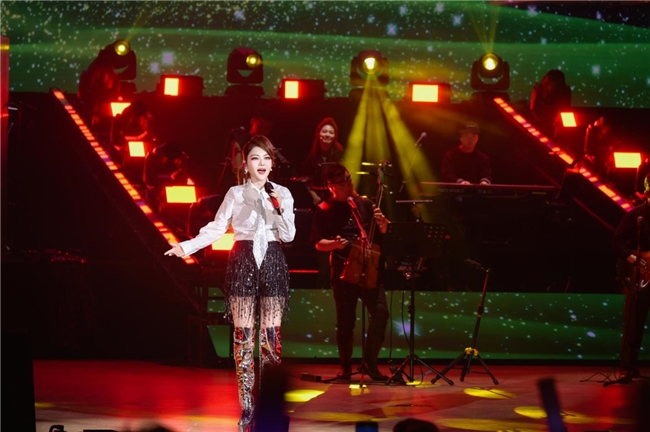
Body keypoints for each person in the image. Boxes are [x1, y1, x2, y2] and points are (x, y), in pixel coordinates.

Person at [165, 135, 295, 428]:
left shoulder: (283, 194)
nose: (261, 163)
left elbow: (289, 235)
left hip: (273, 261)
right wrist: (186, 247)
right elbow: (216, 228)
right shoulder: (235, 194)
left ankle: (268, 407)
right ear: (245, 164)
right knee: (244, 339)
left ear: (272, 163)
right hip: (243, 261)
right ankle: (247, 407)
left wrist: (276, 208)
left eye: (266, 158)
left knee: (271, 341)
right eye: (255, 158)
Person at [309, 163, 390, 381]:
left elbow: (382, 233)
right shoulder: (324, 209)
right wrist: (334, 244)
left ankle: (370, 363)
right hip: (343, 270)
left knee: (381, 312)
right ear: (331, 186)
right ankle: (345, 367)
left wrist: (383, 224)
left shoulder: (364, 204)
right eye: (342, 182)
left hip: (368, 268)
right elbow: (318, 243)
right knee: (346, 321)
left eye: (349, 179)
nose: (348, 184)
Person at [612, 173, 650, 380]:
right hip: (640, 276)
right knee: (634, 322)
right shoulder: (636, 216)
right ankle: (627, 366)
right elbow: (616, 241)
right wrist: (634, 258)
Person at [300, 117, 344, 205]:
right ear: (318, 134)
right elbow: (305, 181)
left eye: (331, 132)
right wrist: (315, 197)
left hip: (336, 199)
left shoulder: (340, 156)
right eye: (324, 131)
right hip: (315, 200)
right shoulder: (310, 157)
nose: (327, 135)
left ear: (335, 136)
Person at [143, 141, 189, 213]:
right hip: (155, 189)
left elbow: (184, 180)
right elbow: (148, 180)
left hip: (173, 190)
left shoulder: (182, 157)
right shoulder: (151, 156)